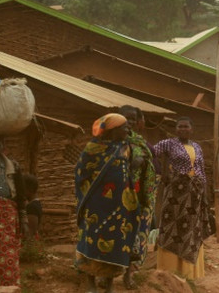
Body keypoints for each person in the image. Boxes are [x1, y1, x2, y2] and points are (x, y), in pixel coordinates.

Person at [74, 114, 140, 293]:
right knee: (92, 241)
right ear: (112, 129)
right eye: (124, 127)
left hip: (119, 207)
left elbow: (127, 175)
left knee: (116, 243)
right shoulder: (93, 148)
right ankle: (91, 283)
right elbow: (80, 173)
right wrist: (87, 197)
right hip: (97, 206)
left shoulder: (126, 148)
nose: (128, 130)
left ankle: (109, 285)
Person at [152, 117, 209, 280]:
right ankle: (169, 270)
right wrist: (161, 173)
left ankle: (189, 273)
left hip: (194, 195)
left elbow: (201, 170)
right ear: (176, 129)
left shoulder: (197, 147)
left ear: (192, 129)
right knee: (171, 227)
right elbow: (151, 153)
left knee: (190, 229)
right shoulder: (168, 144)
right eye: (180, 126)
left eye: (186, 126)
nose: (183, 129)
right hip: (175, 195)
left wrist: (204, 192)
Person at [119, 105, 156, 290]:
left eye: (133, 118)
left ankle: (128, 275)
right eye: (127, 118)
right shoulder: (112, 141)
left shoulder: (140, 143)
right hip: (115, 198)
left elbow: (150, 164)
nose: (131, 122)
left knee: (132, 239)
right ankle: (107, 275)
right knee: (114, 238)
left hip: (136, 197)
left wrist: (141, 163)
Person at [0, 135, 28, 287]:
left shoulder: (13, 167)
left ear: (2, 146)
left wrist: (23, 220)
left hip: (7, 219)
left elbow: (21, 196)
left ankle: (8, 288)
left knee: (7, 258)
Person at [23, 173, 41, 241]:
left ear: (29, 189)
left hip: (29, 245)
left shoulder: (32, 207)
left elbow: (30, 232)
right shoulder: (33, 204)